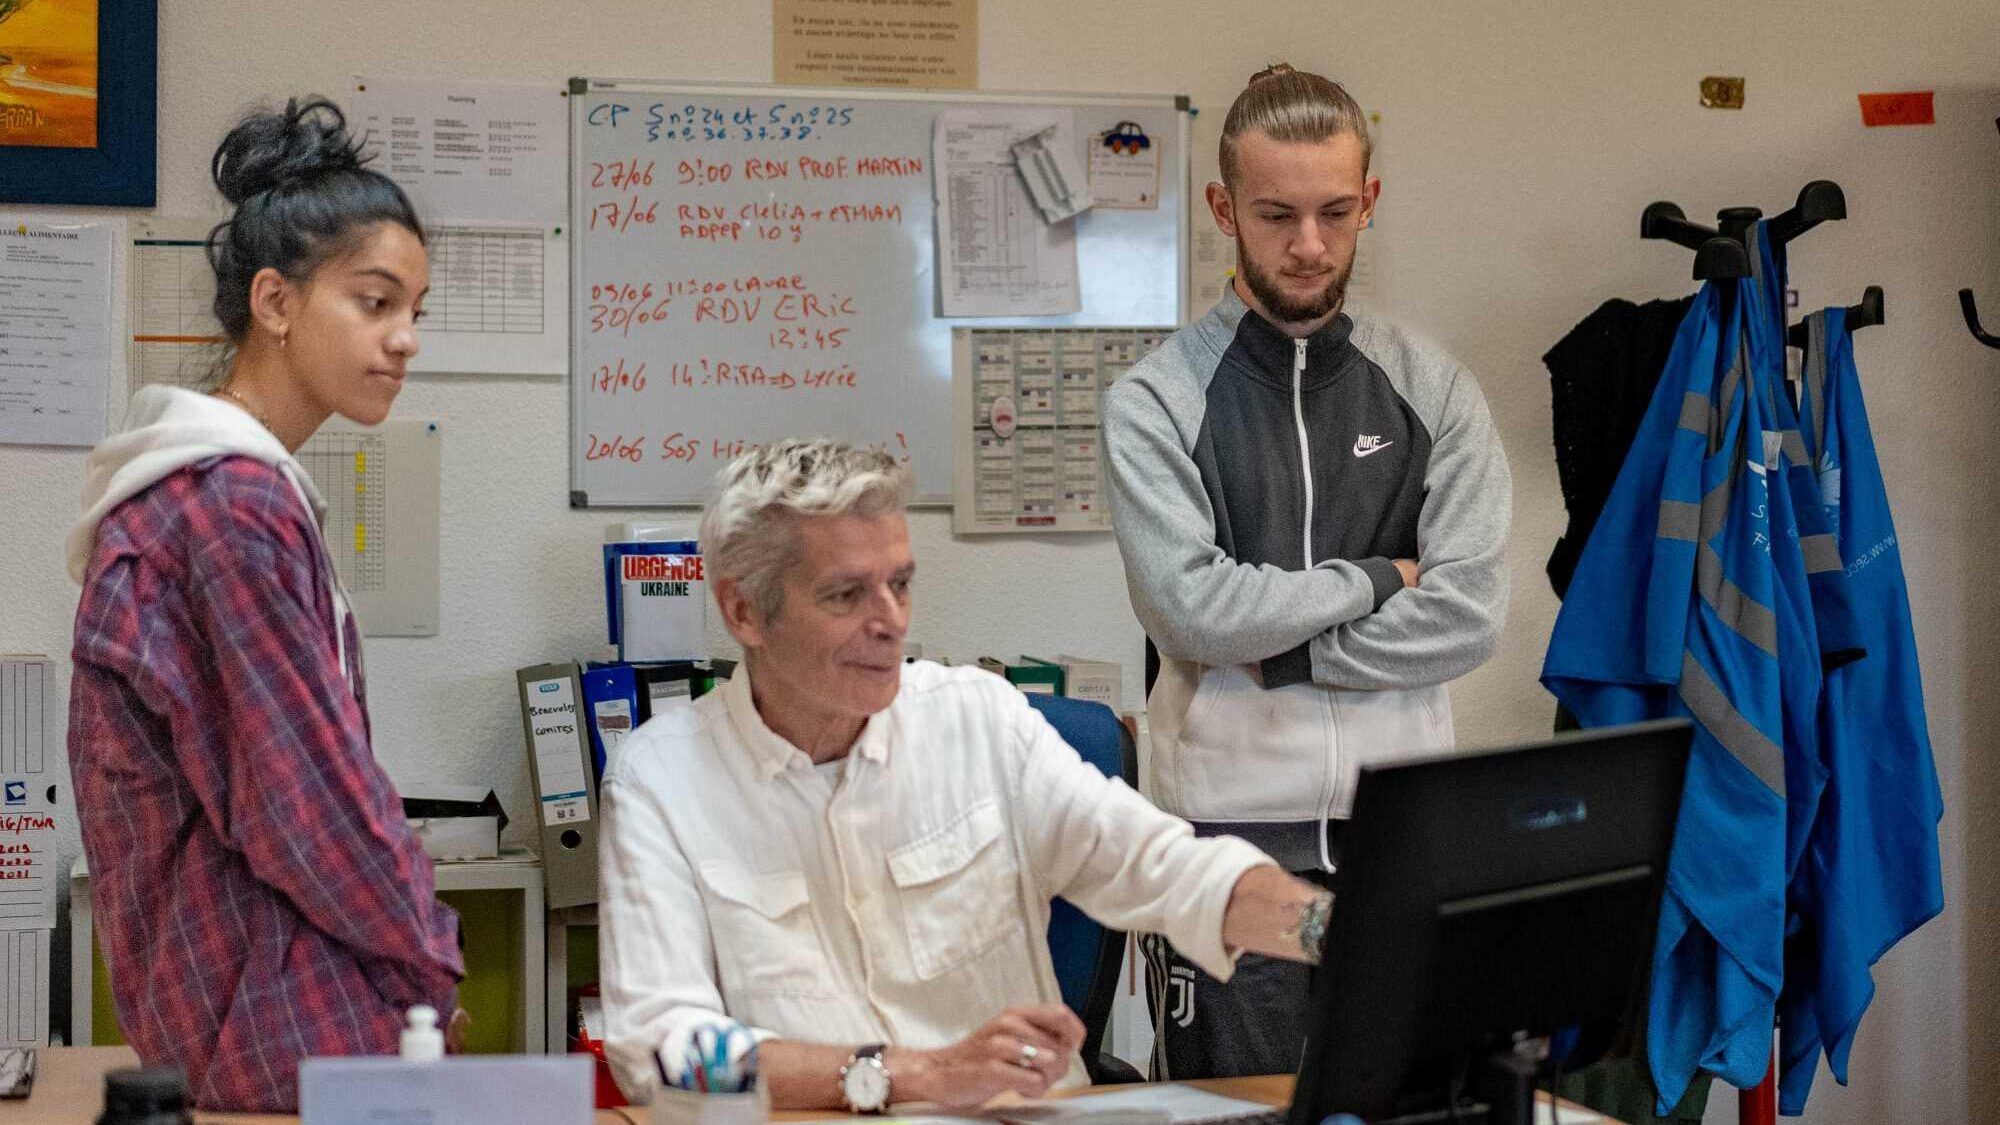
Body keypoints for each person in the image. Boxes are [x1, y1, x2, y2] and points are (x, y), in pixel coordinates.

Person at [599, 439, 1333, 1111]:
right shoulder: (662, 781)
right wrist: (912, 1073)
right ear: (743, 611)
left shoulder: (979, 719)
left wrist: (1339, 930)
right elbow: (663, 1047)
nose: (890, 620)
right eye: (846, 595)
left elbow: (1166, 869)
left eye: (901, 584)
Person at [1102, 64, 1512, 1080]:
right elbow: (1190, 611)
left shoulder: (1433, 392)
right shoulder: (1155, 402)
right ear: (1221, 208)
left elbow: (1466, 617)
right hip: (1222, 837)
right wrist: (1377, 578)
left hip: (1398, 831)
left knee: (1400, 1103)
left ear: (1368, 199)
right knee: (1230, 1109)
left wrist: (1272, 652)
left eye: (1335, 212)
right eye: (1275, 214)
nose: (1308, 246)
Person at [65, 97, 463, 1113]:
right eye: (375, 303)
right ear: (276, 301)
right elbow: (302, 798)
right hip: (277, 1005)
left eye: (415, 309)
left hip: (216, 995)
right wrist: (428, 950)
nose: (405, 338)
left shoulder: (195, 486)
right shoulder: (230, 503)